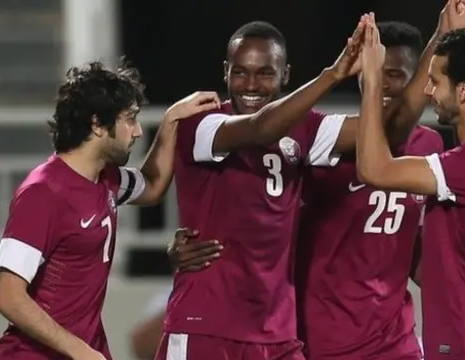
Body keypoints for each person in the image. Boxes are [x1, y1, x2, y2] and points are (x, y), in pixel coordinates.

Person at [156, 19, 368, 360]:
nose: (250, 84)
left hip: (277, 333)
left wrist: (379, 76)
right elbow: (260, 129)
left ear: (285, 74)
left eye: (265, 73)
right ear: (225, 72)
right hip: (206, 326)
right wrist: (333, 73)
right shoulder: (203, 123)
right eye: (240, 72)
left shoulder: (307, 128)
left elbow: (385, 129)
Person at [0, 60, 221, 360]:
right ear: (98, 124)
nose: (137, 131)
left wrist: (171, 120)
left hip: (88, 350)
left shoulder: (106, 179)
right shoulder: (42, 193)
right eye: (129, 119)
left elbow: (152, 185)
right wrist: (78, 349)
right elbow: (8, 297)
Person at [358, 10, 465, 360]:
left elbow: (374, 169)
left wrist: (374, 81)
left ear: (464, 90)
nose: (427, 90)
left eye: (436, 81)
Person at [294, 21, 442, 360]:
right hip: (324, 336)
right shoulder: (327, 141)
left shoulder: (430, 144)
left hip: (394, 339)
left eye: (396, 73)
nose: (384, 81)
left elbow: (410, 238)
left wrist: (458, 288)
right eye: (377, 70)